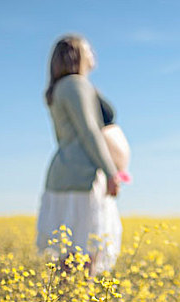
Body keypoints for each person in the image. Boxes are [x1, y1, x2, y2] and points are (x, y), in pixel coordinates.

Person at [36, 34, 123, 275]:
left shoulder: (60, 88)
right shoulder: (75, 84)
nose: (93, 52)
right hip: (82, 176)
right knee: (85, 251)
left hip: (63, 175)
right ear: (76, 55)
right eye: (88, 48)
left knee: (70, 252)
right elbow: (89, 131)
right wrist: (111, 172)